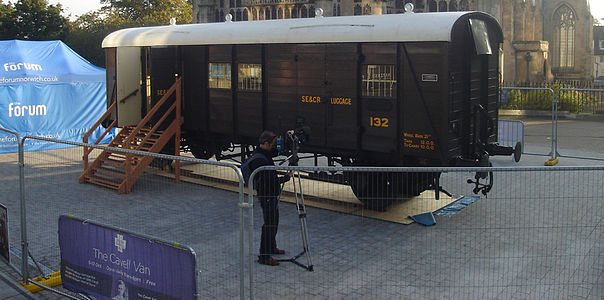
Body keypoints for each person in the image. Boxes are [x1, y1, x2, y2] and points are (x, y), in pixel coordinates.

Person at [248, 130, 291, 266]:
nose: (274, 146)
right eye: (272, 144)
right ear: (266, 143)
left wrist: (287, 137)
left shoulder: (263, 153)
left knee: (274, 221)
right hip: (267, 195)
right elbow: (270, 181)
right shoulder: (260, 160)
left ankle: (272, 247)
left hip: (270, 194)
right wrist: (285, 178)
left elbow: (277, 151)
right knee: (269, 224)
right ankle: (264, 255)